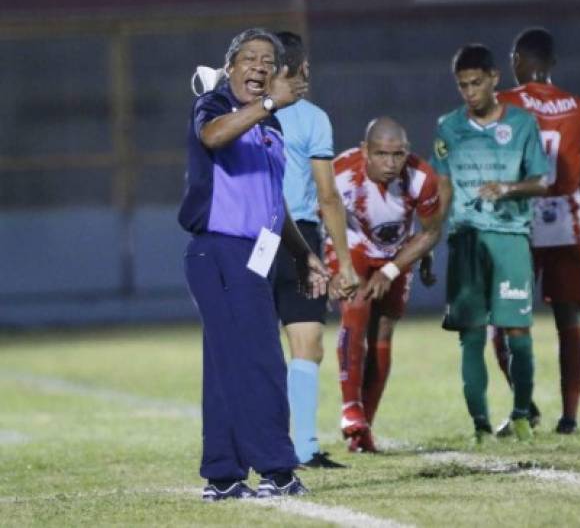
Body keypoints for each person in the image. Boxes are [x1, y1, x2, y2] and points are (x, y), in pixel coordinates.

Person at [178, 28, 329, 500]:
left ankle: (223, 476)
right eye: (250, 58)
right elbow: (212, 136)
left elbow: (273, 202)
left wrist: (303, 253)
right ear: (230, 66)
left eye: (268, 61)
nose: (259, 67)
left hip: (253, 254)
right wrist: (267, 106)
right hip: (221, 249)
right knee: (261, 361)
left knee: (228, 364)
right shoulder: (217, 105)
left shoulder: (272, 126)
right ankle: (277, 469)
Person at [429, 43, 549, 442]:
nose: (469, 92)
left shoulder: (522, 124)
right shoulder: (448, 127)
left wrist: (508, 187)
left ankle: (520, 415)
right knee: (472, 334)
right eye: (462, 85)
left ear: (495, 78)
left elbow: (542, 181)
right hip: (465, 239)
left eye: (476, 83)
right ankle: (479, 424)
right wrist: (431, 238)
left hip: (511, 238)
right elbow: (443, 188)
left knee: (518, 332)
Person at [492, 27, 580, 436]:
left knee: (501, 318)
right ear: (552, 63)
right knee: (568, 318)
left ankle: (525, 409)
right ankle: (569, 417)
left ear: (518, 59)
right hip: (565, 219)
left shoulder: (504, 102)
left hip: (518, 218)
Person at [327, 117, 443, 453]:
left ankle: (364, 432)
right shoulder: (341, 172)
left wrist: (392, 270)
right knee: (358, 301)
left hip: (396, 253)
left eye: (397, 154)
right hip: (352, 245)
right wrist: (329, 265)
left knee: (383, 333)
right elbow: (318, 209)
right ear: (365, 150)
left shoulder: (421, 177)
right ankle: (351, 407)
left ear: (407, 151)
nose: (390, 163)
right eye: (381, 154)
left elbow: (432, 232)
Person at [273, 31, 360, 469]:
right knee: (306, 344)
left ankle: (260, 445)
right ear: (300, 68)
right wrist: (343, 263)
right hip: (299, 242)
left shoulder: (236, 114)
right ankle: (304, 447)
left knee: (254, 349)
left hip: (246, 237)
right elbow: (328, 197)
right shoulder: (312, 118)